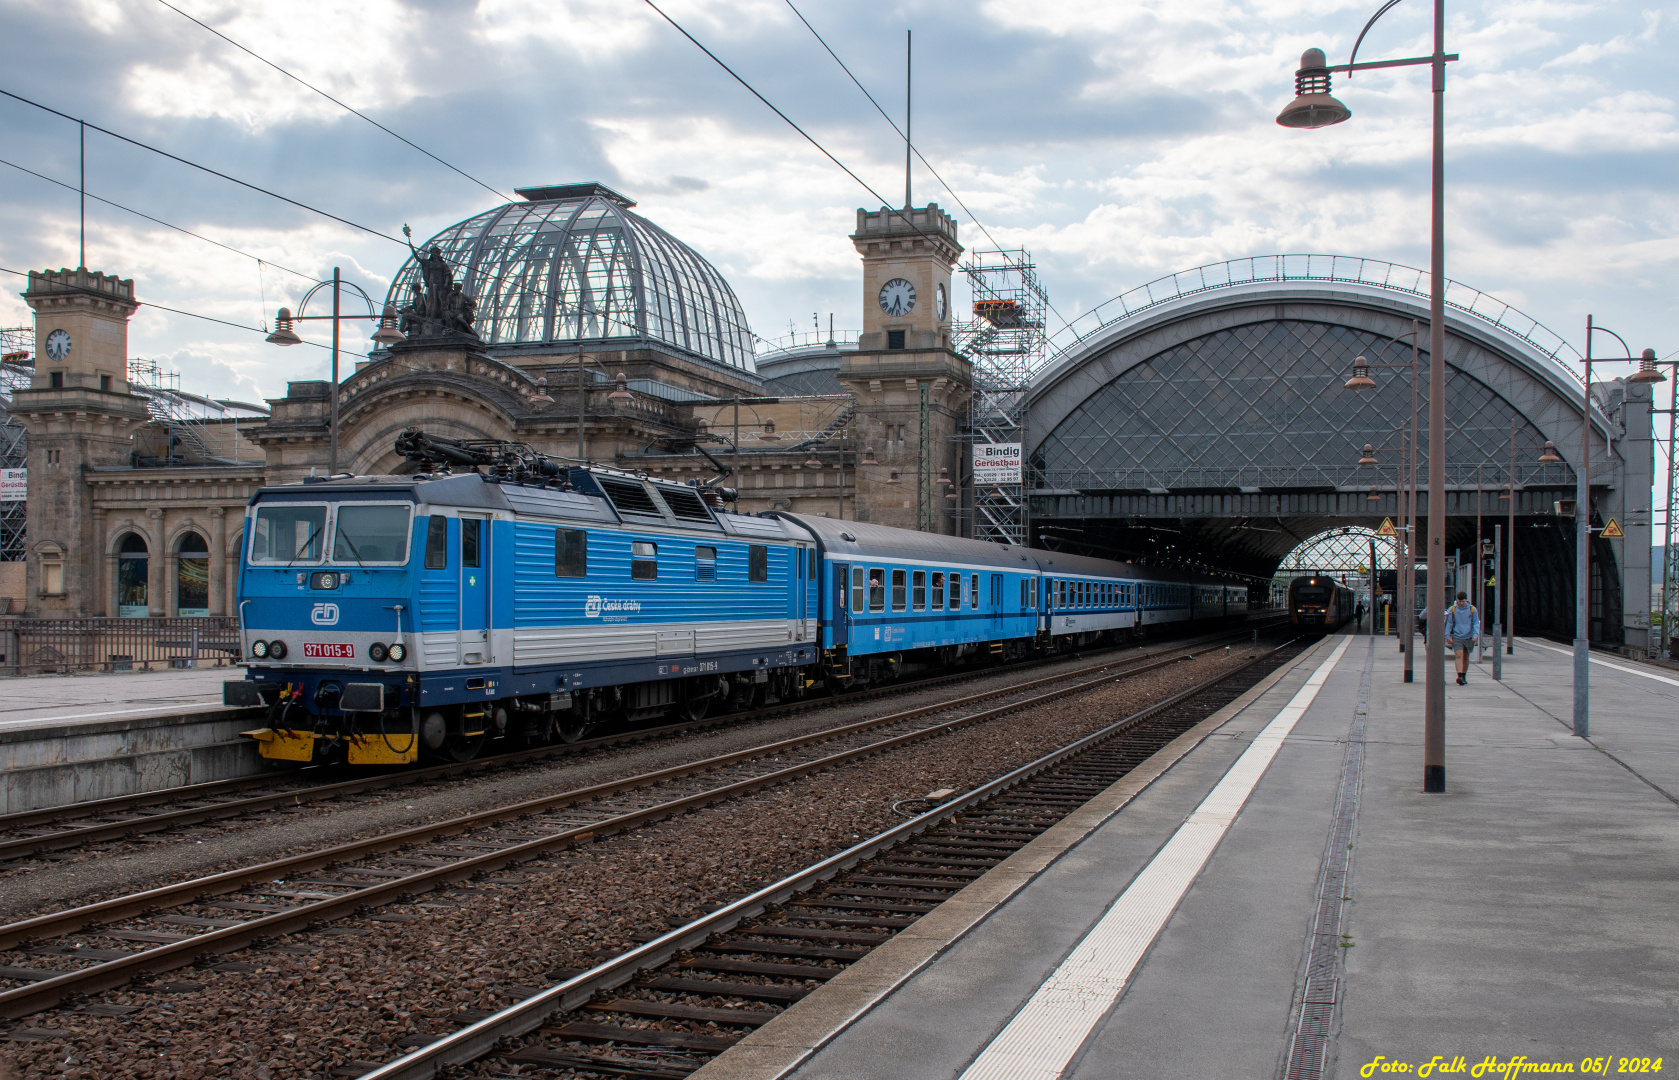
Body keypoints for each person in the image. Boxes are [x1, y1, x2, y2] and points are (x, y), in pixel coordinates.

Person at [1444, 590, 1481, 685]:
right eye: (1460, 601)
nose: (1461, 603)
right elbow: (1449, 623)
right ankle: (1459, 675)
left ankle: (1464, 675)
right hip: (1457, 636)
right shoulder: (1452, 609)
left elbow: (1476, 623)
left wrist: (1475, 634)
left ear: (1466, 600)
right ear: (1457, 600)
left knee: (1466, 656)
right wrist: (1447, 635)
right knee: (1459, 654)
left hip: (1468, 636)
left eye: (1463, 601)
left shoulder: (1472, 610)